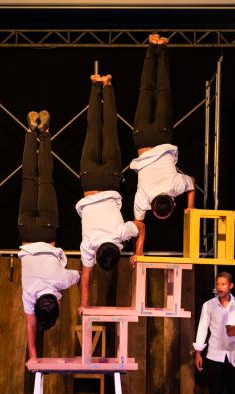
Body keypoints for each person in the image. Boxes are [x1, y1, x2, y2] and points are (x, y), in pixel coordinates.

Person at [76, 74, 143, 313]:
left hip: (112, 179)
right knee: (94, 129)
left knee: (109, 129)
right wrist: (84, 303)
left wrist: (138, 253)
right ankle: (96, 84)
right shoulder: (89, 246)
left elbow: (141, 226)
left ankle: (108, 84)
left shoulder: (120, 234)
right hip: (90, 180)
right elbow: (85, 276)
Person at [18, 111, 80, 360]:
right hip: (26, 231)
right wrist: (32, 355)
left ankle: (44, 134)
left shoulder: (61, 281)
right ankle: (31, 132)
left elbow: (82, 273)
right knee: (28, 178)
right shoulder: (28, 293)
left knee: (45, 178)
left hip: (48, 229)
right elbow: (30, 324)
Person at [130, 34, 195, 257]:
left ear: (172, 203)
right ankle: (151, 47)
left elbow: (192, 183)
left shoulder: (176, 187)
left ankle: (162, 48)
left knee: (163, 92)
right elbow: (138, 224)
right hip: (142, 139)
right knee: (146, 92)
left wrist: (190, 207)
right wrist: (138, 253)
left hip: (162, 135)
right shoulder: (144, 200)